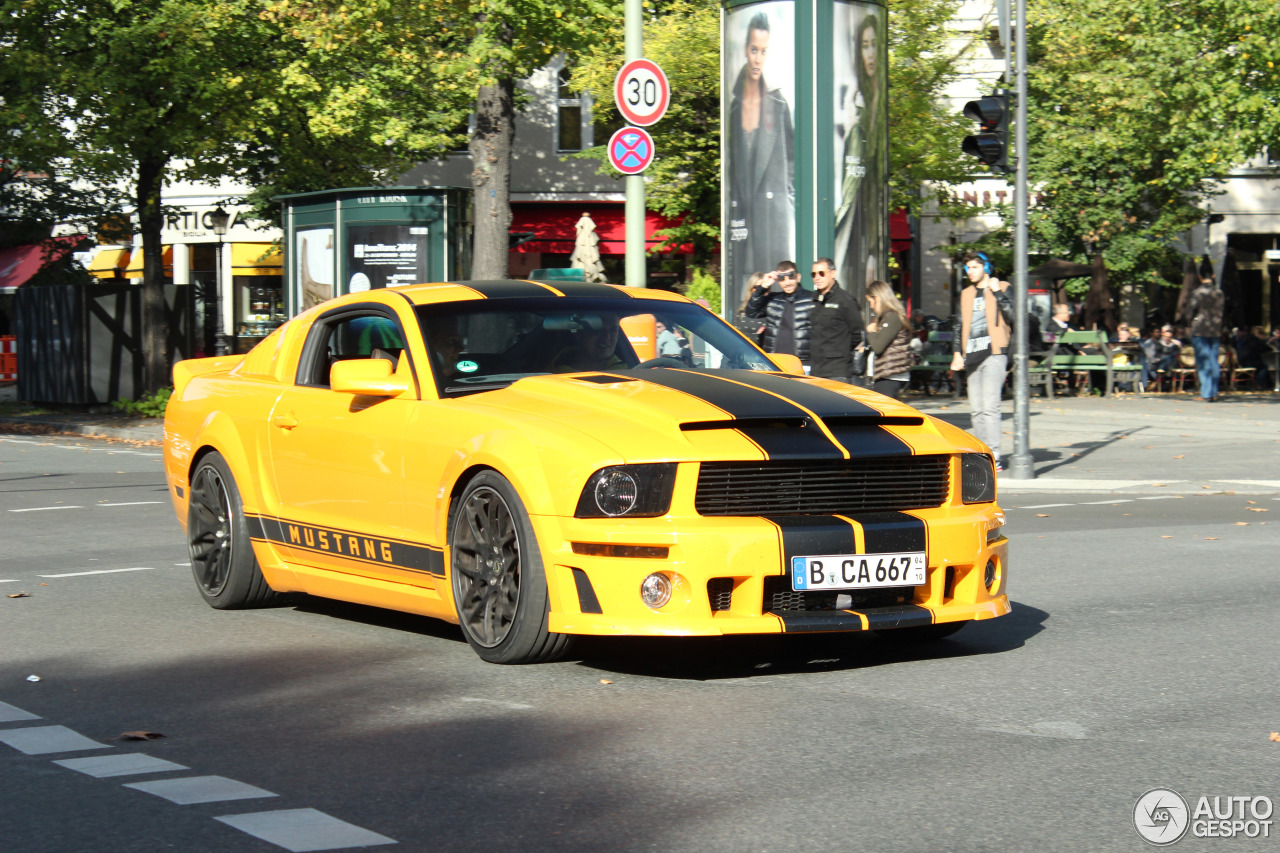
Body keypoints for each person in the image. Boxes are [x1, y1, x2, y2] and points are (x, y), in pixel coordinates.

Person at [727, 12, 795, 311]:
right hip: (744, 219)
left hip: (773, 219)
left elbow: (792, 165)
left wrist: (788, 201)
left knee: (777, 300)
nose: (757, 58)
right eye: (753, 49)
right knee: (748, 299)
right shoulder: (733, 108)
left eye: (763, 51)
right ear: (745, 49)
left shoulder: (779, 105)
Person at [949, 252, 1014, 471]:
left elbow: (1015, 317)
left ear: (986, 267)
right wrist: (957, 352)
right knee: (976, 410)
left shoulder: (1002, 287)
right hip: (972, 355)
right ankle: (982, 453)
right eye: (967, 268)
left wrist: (997, 292)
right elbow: (958, 325)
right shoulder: (966, 293)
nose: (970, 272)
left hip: (995, 353)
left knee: (990, 407)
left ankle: (995, 456)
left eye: (974, 267)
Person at [834, 10, 885, 291]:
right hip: (855, 209)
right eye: (864, 46)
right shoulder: (855, 100)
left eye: (874, 44)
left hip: (870, 210)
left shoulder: (879, 99)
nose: (870, 53)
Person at [807, 257, 864, 384]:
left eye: (821, 273)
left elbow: (857, 334)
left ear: (833, 274)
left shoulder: (845, 300)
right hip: (816, 371)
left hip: (837, 372)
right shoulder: (814, 300)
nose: (817, 277)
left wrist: (840, 350)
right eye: (813, 274)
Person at [746, 260, 813, 367]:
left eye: (791, 276)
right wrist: (763, 287)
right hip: (775, 363)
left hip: (803, 363)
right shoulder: (773, 300)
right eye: (782, 278)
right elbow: (751, 312)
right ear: (778, 281)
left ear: (798, 277)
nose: (787, 282)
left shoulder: (811, 299)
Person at [860, 280, 913, 399]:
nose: (871, 306)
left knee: (886, 415)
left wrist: (872, 331)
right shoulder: (886, 317)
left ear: (877, 298)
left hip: (890, 376)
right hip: (885, 375)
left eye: (870, 301)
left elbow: (879, 346)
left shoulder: (893, 317)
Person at [1183, 273, 1224, 401]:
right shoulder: (1219, 292)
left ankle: (1206, 394)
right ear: (1213, 275)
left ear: (1200, 277)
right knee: (1214, 361)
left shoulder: (1198, 292)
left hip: (1200, 330)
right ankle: (1214, 392)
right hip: (1216, 330)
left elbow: (1190, 310)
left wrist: (1188, 321)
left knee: (1203, 361)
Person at [552, 313, 628, 372]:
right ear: (579, 333)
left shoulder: (626, 375)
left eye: (613, 330)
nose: (607, 337)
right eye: (598, 329)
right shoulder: (547, 376)